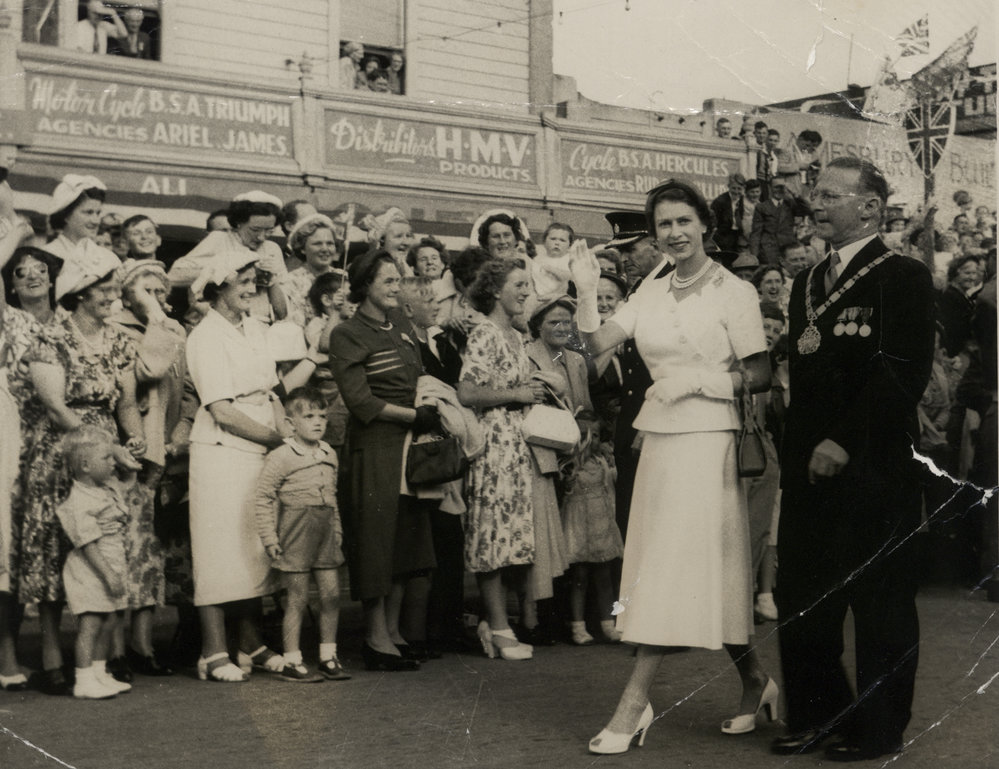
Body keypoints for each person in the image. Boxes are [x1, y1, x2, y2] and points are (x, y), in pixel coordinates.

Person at [573, 178, 775, 754]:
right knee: (688, 566)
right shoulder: (651, 288)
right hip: (661, 439)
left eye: (684, 221)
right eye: (664, 224)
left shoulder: (734, 290)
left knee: (671, 565)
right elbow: (595, 345)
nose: (675, 232)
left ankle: (634, 703)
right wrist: (584, 290)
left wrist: (698, 381)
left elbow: (760, 373)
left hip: (709, 439)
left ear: (704, 224)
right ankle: (756, 680)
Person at [773, 157, 936, 761]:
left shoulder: (904, 276)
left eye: (829, 195)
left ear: (870, 207)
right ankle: (819, 715)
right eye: (814, 194)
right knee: (802, 597)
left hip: (874, 467)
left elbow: (902, 373)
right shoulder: (805, 282)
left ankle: (878, 729)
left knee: (879, 604)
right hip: (809, 469)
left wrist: (843, 439)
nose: (814, 204)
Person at [9, 246, 143, 696]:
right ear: (80, 293)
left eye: (115, 289)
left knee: (107, 544)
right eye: (105, 290)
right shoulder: (51, 339)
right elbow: (55, 406)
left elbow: (127, 403)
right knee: (55, 551)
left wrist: (133, 441)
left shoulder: (120, 340)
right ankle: (52, 657)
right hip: (61, 452)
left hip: (106, 456)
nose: (113, 297)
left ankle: (106, 655)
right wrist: (106, 445)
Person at [329, 250, 437, 671]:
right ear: (365, 286)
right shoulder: (347, 333)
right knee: (375, 543)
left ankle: (393, 632)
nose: (396, 288)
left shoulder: (402, 328)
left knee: (406, 543)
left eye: (398, 280)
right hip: (374, 449)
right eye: (388, 281)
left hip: (411, 448)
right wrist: (413, 416)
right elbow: (360, 402)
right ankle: (375, 639)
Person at [184, 250, 289, 683]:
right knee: (218, 551)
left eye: (254, 282)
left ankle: (250, 644)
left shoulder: (257, 328)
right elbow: (223, 411)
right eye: (242, 282)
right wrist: (277, 441)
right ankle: (212, 652)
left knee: (252, 548)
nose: (251, 289)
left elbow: (272, 390)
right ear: (218, 289)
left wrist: (285, 432)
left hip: (260, 450)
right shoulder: (204, 337)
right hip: (221, 453)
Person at [457, 258, 545, 660]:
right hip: (493, 443)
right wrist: (517, 394)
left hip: (516, 444)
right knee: (491, 536)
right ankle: (497, 626)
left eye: (528, 285)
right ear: (495, 290)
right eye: (519, 284)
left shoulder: (515, 334)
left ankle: (494, 622)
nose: (526, 292)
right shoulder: (485, 333)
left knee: (510, 538)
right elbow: (467, 392)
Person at [527, 296, 619, 645]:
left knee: (576, 540)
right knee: (549, 535)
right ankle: (546, 617)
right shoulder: (528, 354)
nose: (562, 328)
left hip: (577, 456)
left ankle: (575, 618)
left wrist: (590, 435)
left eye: (567, 322)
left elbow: (587, 408)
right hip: (542, 450)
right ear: (538, 325)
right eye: (554, 322)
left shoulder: (577, 360)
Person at [255, 387, 350, 683]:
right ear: (290, 422)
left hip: (325, 530)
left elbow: (332, 496)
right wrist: (270, 538)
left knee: (331, 595)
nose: (318, 422)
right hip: (296, 529)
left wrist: (337, 529)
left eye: (322, 416)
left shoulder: (329, 453)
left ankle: (328, 656)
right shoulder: (282, 456)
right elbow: (263, 497)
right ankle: (292, 659)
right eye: (309, 416)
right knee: (296, 598)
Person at [55, 427, 134, 699]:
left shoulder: (105, 489)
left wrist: (131, 468)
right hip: (91, 570)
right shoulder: (79, 500)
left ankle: (100, 672)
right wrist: (108, 574)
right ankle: (84, 678)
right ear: (86, 465)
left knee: (108, 621)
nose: (113, 462)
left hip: (110, 564)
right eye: (107, 458)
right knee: (91, 625)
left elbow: (127, 487)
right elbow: (87, 543)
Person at [44, 175, 121, 275]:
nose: (96, 221)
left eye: (98, 213)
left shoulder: (109, 259)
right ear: (66, 215)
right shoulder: (46, 255)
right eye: (89, 212)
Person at [281, 214, 341, 328]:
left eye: (330, 243)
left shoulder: (343, 276)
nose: (325, 249)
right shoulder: (291, 282)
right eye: (317, 244)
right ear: (302, 248)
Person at [1, 246, 61, 325]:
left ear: (50, 280)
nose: (33, 276)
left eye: (40, 269)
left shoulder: (69, 318)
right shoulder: (6, 320)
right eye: (22, 272)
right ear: (12, 285)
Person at [710, 174, 746, 254]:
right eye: (733, 188)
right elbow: (712, 222)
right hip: (724, 236)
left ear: (743, 188)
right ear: (728, 186)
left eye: (739, 188)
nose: (736, 191)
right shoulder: (720, 201)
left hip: (738, 236)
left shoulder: (743, 200)